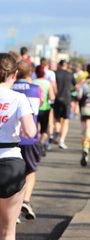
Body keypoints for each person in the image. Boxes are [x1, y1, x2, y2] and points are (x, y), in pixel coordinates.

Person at [0, 53, 36, 239]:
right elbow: (31, 132)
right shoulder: (19, 98)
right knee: (8, 230)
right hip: (10, 161)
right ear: (14, 74)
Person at [12, 61, 42, 222]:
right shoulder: (36, 89)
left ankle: (14, 209)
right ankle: (25, 200)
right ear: (30, 73)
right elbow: (40, 108)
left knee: (14, 174)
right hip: (30, 138)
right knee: (30, 172)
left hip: (12, 139)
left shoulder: (9, 89)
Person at [33, 65, 55, 157]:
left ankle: (36, 143)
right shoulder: (47, 83)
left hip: (34, 108)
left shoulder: (33, 82)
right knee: (44, 130)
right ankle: (41, 143)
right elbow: (52, 97)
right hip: (45, 108)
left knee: (36, 128)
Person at [54, 60, 76, 149]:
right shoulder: (70, 75)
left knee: (57, 118)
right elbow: (75, 87)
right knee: (66, 120)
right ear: (66, 65)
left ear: (59, 65)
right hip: (67, 98)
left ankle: (57, 130)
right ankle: (62, 140)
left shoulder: (55, 74)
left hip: (57, 98)